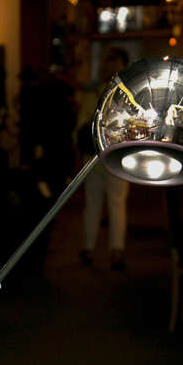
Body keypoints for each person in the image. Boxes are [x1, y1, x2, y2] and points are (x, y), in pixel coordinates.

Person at [76, 46, 130, 270]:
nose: (109, 67)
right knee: (107, 202)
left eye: (113, 62)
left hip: (103, 156)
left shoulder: (97, 91)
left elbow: (81, 123)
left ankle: (100, 248)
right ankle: (107, 249)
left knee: (103, 202)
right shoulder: (128, 93)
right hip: (110, 155)